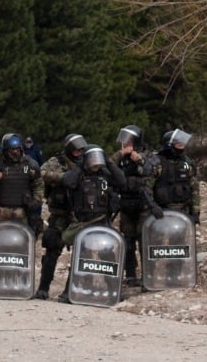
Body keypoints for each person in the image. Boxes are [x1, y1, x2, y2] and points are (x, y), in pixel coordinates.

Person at [59, 145, 125, 303]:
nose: (95, 162)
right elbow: (67, 182)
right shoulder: (78, 174)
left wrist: (109, 163)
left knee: (107, 256)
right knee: (80, 257)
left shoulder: (105, 174)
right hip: (83, 222)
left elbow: (121, 181)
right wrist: (80, 165)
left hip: (102, 220)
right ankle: (71, 291)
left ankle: (114, 290)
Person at [32, 133, 84, 300]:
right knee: (52, 248)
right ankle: (43, 288)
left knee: (80, 253)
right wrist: (63, 178)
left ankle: (70, 291)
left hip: (80, 216)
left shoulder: (86, 162)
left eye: (81, 150)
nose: (78, 153)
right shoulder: (57, 162)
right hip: (59, 214)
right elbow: (42, 173)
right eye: (75, 150)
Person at [110, 125, 152, 286]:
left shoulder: (146, 154)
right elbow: (107, 165)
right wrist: (121, 154)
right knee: (128, 241)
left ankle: (148, 275)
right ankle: (130, 274)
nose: (125, 142)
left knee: (144, 240)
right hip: (126, 203)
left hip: (143, 204)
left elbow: (149, 170)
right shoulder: (121, 157)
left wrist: (138, 159)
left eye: (128, 139)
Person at [0, 133, 44, 234]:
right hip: (0, 211)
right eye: (12, 150)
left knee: (23, 238)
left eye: (17, 149)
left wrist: (35, 201)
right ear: (5, 150)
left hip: (21, 211)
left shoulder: (30, 165)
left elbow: (38, 185)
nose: (15, 152)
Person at [142, 129, 200, 222]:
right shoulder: (157, 164)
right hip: (162, 213)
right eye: (179, 145)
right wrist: (153, 207)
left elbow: (195, 188)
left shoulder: (186, 163)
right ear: (169, 145)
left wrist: (196, 212)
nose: (182, 147)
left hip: (184, 212)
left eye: (183, 145)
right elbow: (146, 188)